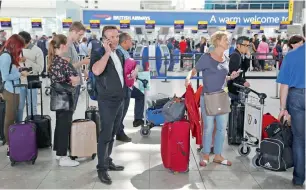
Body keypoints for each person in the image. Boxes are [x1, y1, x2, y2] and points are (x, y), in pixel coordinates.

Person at [185, 31, 240, 167]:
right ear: (217, 41)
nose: (228, 42)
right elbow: (193, 70)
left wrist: (231, 77)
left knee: (222, 128)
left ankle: (218, 155)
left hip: (222, 97)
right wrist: (188, 78)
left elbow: (222, 78)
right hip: (208, 97)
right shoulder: (206, 57)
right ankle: (205, 155)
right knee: (208, 128)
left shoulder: (226, 59)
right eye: (226, 39)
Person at [91, 26, 128, 185]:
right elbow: (97, 71)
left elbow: (120, 73)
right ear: (104, 39)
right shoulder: (98, 52)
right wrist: (106, 52)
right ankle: (101, 168)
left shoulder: (119, 53)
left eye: (116, 36)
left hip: (120, 98)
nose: (115, 40)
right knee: (105, 134)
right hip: (107, 100)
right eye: (111, 37)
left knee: (113, 133)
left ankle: (107, 160)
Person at [48, 34, 80, 167]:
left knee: (60, 125)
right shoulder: (62, 62)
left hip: (59, 99)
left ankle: (58, 152)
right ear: (62, 46)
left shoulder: (54, 60)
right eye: (66, 44)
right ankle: (63, 156)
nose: (68, 46)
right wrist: (75, 80)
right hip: (66, 98)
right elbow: (75, 79)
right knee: (64, 126)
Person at [277, 43, 305, 187]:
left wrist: (283, 108)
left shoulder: (292, 55)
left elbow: (284, 84)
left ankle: (299, 178)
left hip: (297, 97)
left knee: (299, 140)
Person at [0, 34, 28, 156]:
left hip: (15, 89)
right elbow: (5, 76)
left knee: (13, 117)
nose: (20, 50)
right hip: (9, 90)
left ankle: (12, 143)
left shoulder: (10, 56)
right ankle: (9, 146)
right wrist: (20, 74)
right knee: (9, 119)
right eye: (19, 47)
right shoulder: (5, 57)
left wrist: (20, 71)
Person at [17, 31, 44, 122]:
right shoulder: (17, 49)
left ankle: (32, 126)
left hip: (33, 80)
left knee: (32, 105)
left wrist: (27, 60)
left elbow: (40, 68)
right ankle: (18, 126)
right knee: (19, 106)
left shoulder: (37, 50)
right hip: (20, 81)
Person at [63, 21, 90, 110]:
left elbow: (73, 62)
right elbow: (65, 67)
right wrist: (82, 62)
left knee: (71, 111)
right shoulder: (67, 45)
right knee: (69, 112)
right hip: (71, 84)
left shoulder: (72, 44)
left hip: (75, 82)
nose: (81, 37)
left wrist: (83, 70)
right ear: (73, 31)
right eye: (80, 35)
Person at [228, 36, 251, 102]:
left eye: (248, 45)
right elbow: (233, 73)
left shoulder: (238, 55)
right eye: (245, 45)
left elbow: (244, 69)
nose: (247, 48)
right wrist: (243, 82)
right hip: (233, 88)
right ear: (238, 45)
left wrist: (247, 57)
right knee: (235, 109)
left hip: (236, 87)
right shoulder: (235, 56)